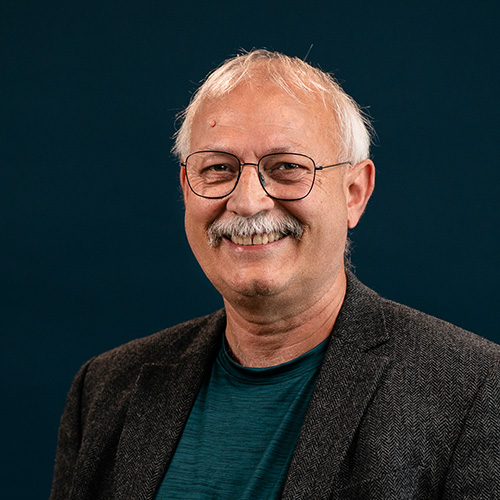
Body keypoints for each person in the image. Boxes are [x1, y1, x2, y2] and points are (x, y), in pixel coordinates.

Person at [50, 50, 500, 500]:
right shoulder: (105, 388)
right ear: (186, 189)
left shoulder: (475, 391)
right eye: (218, 168)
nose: (248, 202)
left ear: (354, 193)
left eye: (287, 167)